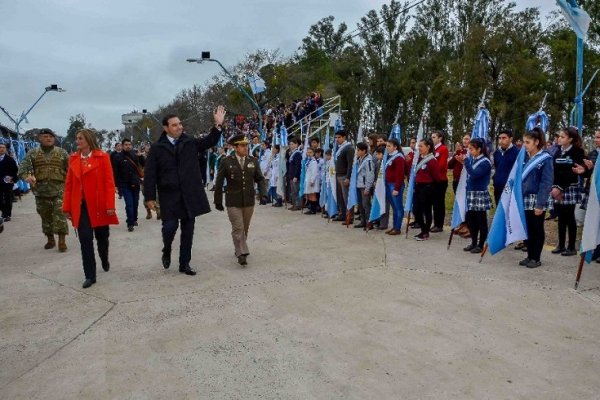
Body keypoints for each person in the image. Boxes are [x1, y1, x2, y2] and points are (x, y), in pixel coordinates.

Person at [143, 107, 225, 276]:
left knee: (188, 230)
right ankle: (166, 249)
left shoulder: (189, 142)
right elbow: (150, 174)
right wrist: (149, 197)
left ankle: (184, 263)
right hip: (169, 196)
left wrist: (217, 125)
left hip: (189, 195)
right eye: (174, 125)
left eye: (180, 124)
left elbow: (209, 141)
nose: (179, 127)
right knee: (169, 227)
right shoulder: (157, 148)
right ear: (166, 128)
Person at [63, 129, 119, 288]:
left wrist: (110, 206)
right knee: (85, 240)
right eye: (76, 138)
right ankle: (90, 275)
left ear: (89, 139)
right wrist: (67, 206)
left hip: (99, 205)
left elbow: (109, 183)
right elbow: (69, 185)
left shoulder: (102, 157)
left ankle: (104, 257)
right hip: (81, 207)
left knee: (102, 238)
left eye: (80, 138)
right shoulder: (73, 158)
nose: (77, 141)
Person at [213, 134, 268, 266]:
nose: (245, 148)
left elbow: (260, 179)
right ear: (235, 147)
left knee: (245, 227)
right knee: (238, 227)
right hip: (233, 200)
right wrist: (218, 200)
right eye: (242, 146)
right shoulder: (226, 161)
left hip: (248, 200)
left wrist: (263, 194)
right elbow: (219, 182)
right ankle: (242, 253)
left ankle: (239, 247)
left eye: (246, 145)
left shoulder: (253, 161)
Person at [18, 128, 70, 251]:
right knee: (45, 216)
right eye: (45, 136)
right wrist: (27, 177)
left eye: (51, 136)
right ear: (40, 139)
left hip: (59, 190)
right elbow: (21, 170)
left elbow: (71, 170)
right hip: (41, 191)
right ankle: (50, 239)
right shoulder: (32, 153)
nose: (49, 138)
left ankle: (62, 241)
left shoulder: (62, 153)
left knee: (60, 215)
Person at [519, 127, 554, 268]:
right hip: (526, 197)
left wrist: (540, 204)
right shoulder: (526, 158)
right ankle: (529, 255)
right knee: (529, 228)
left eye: (527, 142)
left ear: (536, 142)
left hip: (538, 197)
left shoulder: (545, 158)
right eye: (524, 142)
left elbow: (546, 182)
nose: (524, 145)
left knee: (537, 228)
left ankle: (536, 258)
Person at [550, 127, 585, 257]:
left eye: (563, 137)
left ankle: (571, 247)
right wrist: (555, 187)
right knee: (561, 217)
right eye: (559, 136)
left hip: (569, 187)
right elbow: (555, 170)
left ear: (570, 139)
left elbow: (573, 172)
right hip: (557, 188)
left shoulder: (577, 152)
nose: (559, 138)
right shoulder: (558, 151)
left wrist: (560, 188)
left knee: (569, 217)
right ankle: (561, 245)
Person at [461, 138, 492, 254]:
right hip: (471, 193)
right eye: (469, 149)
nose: (469, 151)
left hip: (479, 193)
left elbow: (474, 174)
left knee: (481, 220)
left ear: (479, 149)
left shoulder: (485, 162)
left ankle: (480, 244)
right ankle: (473, 242)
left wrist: (466, 162)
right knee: (471, 220)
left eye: (472, 149)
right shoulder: (473, 160)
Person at [412, 138, 441, 240]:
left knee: (427, 211)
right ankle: (423, 229)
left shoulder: (432, 160)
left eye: (421, 146)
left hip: (427, 188)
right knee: (415, 210)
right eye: (418, 146)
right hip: (418, 186)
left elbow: (437, 177)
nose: (419, 148)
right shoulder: (419, 158)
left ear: (428, 147)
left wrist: (432, 189)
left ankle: (425, 232)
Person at [113, 138, 143, 232]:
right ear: (122, 146)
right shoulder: (118, 157)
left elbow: (145, 164)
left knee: (135, 203)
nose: (128, 146)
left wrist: (141, 156)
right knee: (129, 204)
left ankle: (134, 219)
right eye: (126, 144)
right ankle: (130, 223)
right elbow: (115, 172)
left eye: (129, 144)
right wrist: (116, 185)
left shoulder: (135, 155)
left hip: (136, 183)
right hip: (125, 184)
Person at [384, 138, 406, 235]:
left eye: (389, 146)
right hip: (388, 184)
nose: (387, 148)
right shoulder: (389, 156)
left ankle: (397, 228)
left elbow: (400, 174)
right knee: (394, 207)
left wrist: (397, 188)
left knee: (398, 207)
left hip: (395, 185)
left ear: (395, 147)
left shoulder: (399, 158)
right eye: (387, 146)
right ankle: (394, 226)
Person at [492, 129, 519, 206]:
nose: (501, 140)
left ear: (510, 139)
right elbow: (497, 167)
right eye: (499, 138)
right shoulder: (497, 153)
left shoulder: (517, 153)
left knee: (509, 213)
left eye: (504, 138)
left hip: (510, 188)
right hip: (497, 187)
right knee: (498, 210)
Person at [334, 130, 354, 224]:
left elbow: (350, 164)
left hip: (344, 176)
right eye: (336, 137)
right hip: (338, 175)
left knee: (346, 197)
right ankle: (342, 214)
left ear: (344, 137)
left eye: (339, 137)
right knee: (340, 197)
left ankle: (350, 216)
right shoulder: (339, 148)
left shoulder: (348, 148)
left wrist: (348, 177)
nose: (337, 139)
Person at [431, 131, 449, 232]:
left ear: (440, 138)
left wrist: (431, 168)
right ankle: (435, 223)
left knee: (439, 203)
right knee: (434, 203)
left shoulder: (443, 149)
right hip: (433, 180)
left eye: (434, 137)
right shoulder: (433, 149)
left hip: (440, 180)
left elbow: (441, 165)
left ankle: (439, 225)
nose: (432, 139)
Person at [355, 142, 375, 229]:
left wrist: (367, 187)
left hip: (364, 186)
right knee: (360, 205)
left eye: (358, 150)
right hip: (359, 185)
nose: (357, 152)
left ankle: (369, 222)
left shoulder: (368, 161)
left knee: (366, 205)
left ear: (364, 151)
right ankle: (363, 221)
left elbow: (370, 175)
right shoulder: (359, 159)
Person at [0, 142, 18, 221]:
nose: (2, 149)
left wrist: (13, 180)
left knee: (8, 198)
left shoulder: (10, 160)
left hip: (7, 183)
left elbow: (15, 171)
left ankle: (7, 215)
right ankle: (3, 212)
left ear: (6, 149)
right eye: (0, 147)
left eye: (3, 147)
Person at [303, 147, 320, 214]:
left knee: (312, 194)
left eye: (310, 152)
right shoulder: (308, 161)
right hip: (308, 179)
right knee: (309, 194)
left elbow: (314, 172)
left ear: (313, 153)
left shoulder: (313, 162)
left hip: (312, 180)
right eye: (308, 152)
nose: (309, 154)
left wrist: (312, 180)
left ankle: (313, 210)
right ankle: (311, 208)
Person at [287, 137, 302, 211]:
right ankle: (294, 204)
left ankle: (298, 205)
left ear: (296, 144)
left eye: (292, 144)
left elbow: (298, 166)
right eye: (290, 144)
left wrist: (296, 176)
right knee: (293, 191)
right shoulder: (292, 153)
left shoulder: (297, 154)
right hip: (291, 175)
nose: (291, 145)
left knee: (296, 191)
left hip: (295, 176)